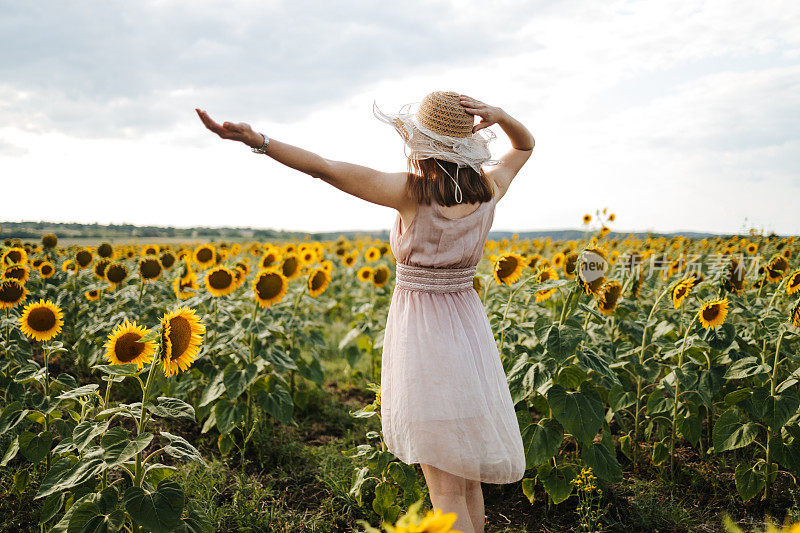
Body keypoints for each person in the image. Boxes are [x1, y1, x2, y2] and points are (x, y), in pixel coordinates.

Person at [196, 90, 534, 533]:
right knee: (467, 484)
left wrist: (259, 140)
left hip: (424, 338)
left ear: (422, 140)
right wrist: (503, 116)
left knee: (444, 488)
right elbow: (524, 146)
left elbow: (325, 169)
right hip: (469, 332)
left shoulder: (411, 192)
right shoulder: (491, 187)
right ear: (468, 139)